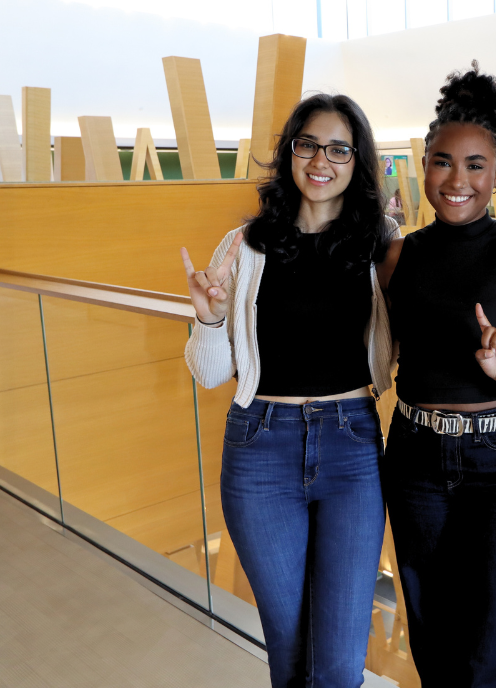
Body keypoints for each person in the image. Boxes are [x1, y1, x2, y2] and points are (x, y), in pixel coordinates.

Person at [181, 93, 396, 688]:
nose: (320, 160)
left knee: (337, 659)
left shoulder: (381, 243)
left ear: (357, 161)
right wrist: (209, 317)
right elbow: (207, 373)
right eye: (308, 144)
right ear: (290, 153)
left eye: (338, 148)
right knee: (290, 648)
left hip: (353, 445)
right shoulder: (244, 245)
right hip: (260, 447)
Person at [376, 62, 496, 687]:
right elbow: (376, 352)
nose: (457, 179)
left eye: (475, 164)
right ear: (423, 163)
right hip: (414, 456)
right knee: (433, 634)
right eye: (441, 161)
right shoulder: (398, 255)